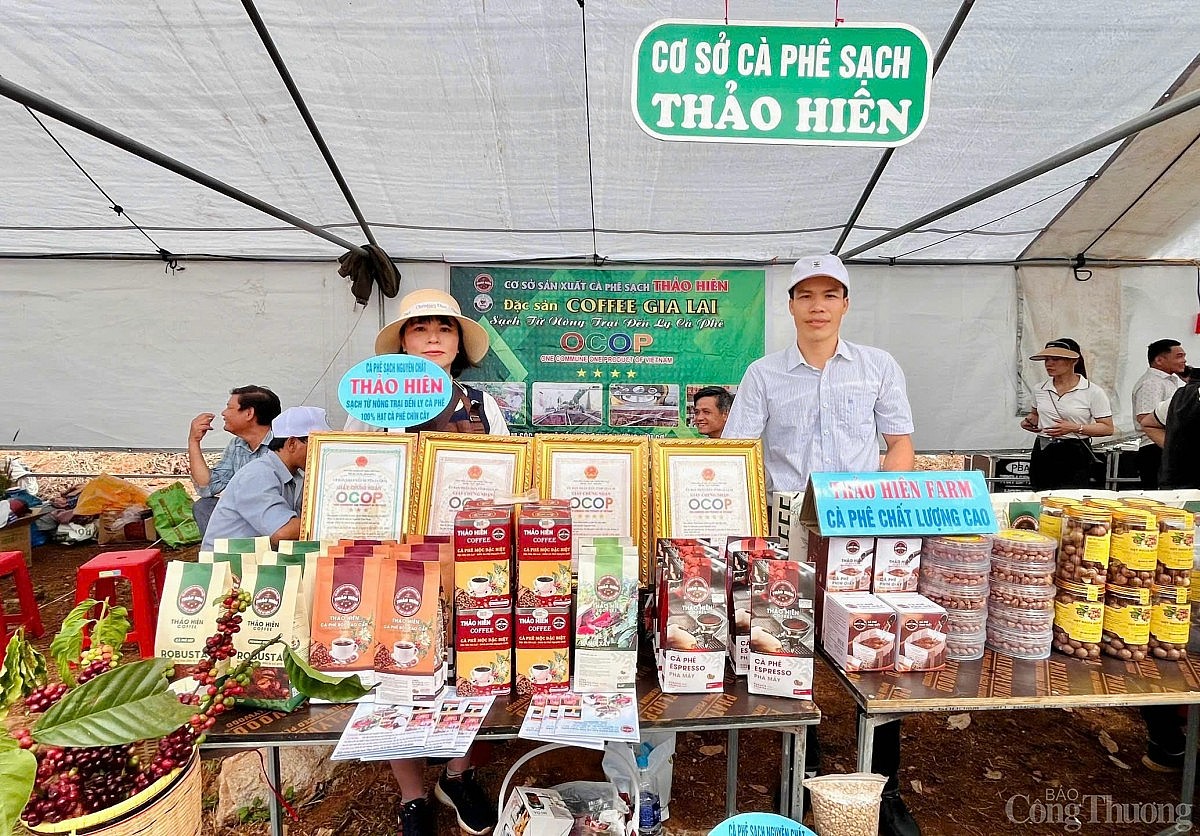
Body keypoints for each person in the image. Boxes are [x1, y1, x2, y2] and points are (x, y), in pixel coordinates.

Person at [723, 253, 918, 836]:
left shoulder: (878, 365)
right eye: (805, 295)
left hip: (860, 529)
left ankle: (883, 788)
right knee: (789, 649)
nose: (817, 306)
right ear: (790, 305)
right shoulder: (763, 374)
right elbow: (737, 453)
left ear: (845, 304)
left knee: (874, 650)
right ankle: (798, 776)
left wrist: (884, 510)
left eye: (829, 295)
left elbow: (899, 443)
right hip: (787, 531)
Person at [349, 288, 506, 836]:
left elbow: (505, 477)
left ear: (459, 343)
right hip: (393, 560)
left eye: (445, 327)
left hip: (467, 556)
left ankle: (458, 775)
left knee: (472, 664)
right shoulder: (370, 404)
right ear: (402, 342)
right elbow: (350, 471)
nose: (434, 337)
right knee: (396, 669)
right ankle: (412, 795)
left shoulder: (483, 406)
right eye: (420, 328)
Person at [200, 406, 329, 550]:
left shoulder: (294, 476)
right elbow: (282, 532)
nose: (323, 452)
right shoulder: (258, 475)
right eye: (318, 444)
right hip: (226, 562)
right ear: (292, 444)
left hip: (254, 558)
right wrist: (335, 523)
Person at [1018, 338, 1114, 491]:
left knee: (1071, 496)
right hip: (1043, 448)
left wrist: (1075, 427)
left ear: (1073, 361)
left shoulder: (1092, 391)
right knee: (1040, 494)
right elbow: (1035, 414)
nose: (1049, 364)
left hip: (1075, 450)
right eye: (1047, 359)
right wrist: (1029, 422)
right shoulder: (1039, 389)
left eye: (1056, 359)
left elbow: (1107, 428)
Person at [188, 385, 281, 534]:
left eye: (230, 408)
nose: (223, 413)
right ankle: (222, 549)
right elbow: (209, 487)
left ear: (249, 413)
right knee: (204, 506)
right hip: (245, 514)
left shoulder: (283, 444)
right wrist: (194, 441)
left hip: (274, 515)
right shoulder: (237, 445)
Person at [1131, 339, 1186, 488]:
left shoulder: (1169, 381)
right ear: (1159, 360)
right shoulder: (1152, 382)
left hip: (1168, 447)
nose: (1184, 360)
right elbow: (1145, 418)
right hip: (1156, 447)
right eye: (1179, 356)